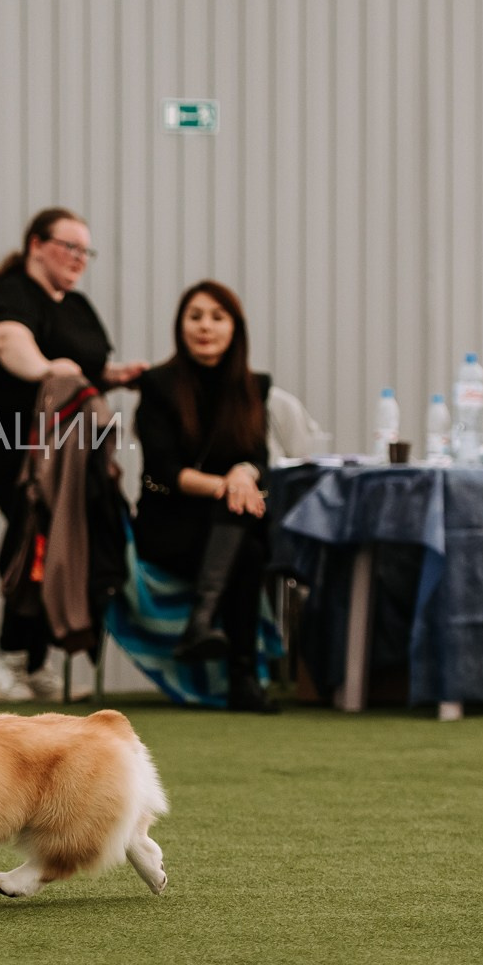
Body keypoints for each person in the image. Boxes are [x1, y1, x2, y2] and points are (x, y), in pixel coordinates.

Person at [0, 208, 146, 701]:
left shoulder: (78, 307)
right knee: (36, 533)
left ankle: (37, 662)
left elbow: (88, 368)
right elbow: (9, 343)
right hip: (11, 450)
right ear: (36, 245)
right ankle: (7, 660)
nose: (79, 259)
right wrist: (47, 368)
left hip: (67, 452)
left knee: (65, 541)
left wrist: (117, 376)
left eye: (86, 250)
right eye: (70, 247)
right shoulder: (11, 297)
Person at [131, 281, 276, 713]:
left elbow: (258, 458)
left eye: (217, 316)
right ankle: (243, 678)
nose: (205, 326)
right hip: (168, 523)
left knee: (246, 546)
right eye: (194, 316)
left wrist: (244, 473)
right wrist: (227, 484)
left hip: (226, 524)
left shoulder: (255, 386)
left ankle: (202, 624)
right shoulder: (157, 384)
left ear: (235, 328)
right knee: (244, 532)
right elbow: (164, 469)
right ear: (181, 326)